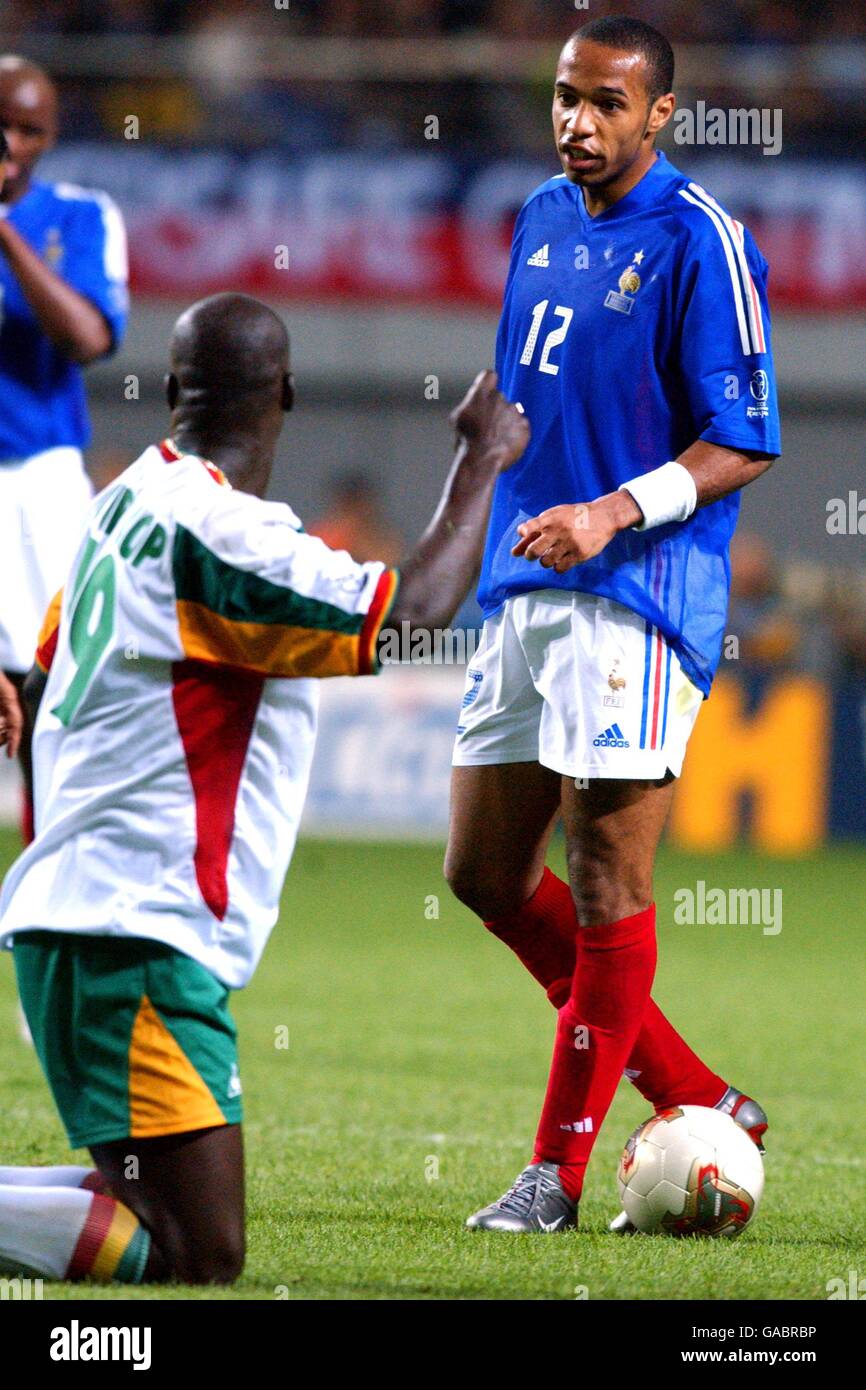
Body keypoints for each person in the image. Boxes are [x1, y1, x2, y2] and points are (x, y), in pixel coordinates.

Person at [0, 292, 527, 1285]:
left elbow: (38, 689)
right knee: (201, 1248)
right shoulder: (222, 536)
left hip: (78, 917)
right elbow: (407, 616)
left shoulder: (121, 505)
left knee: (148, 1213)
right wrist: (481, 457)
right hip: (138, 936)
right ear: (285, 392)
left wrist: (53, 867)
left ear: (167, 393)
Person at [444, 16, 780, 1234]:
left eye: (603, 103)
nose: (576, 122)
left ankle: (554, 1176)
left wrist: (607, 511)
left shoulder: (701, 239)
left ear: (658, 115)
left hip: (634, 594)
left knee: (600, 877)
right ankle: (696, 1094)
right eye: (562, 98)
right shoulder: (537, 213)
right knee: (479, 871)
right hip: (522, 579)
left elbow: (742, 436)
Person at [0, 55, 128, 836]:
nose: (11, 142)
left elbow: (86, 336)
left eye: (28, 129)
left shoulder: (78, 216)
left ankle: (51, 865)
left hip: (38, 477)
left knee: (49, 683)